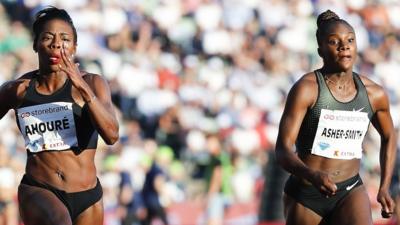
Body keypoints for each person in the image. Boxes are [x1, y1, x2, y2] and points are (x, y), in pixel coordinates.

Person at [275, 10, 397, 225]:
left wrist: (384, 186)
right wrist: (312, 175)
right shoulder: (307, 89)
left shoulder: (374, 94)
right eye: (334, 42)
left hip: (349, 190)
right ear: (320, 50)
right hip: (307, 192)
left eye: (350, 40)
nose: (344, 46)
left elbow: (389, 136)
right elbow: (282, 150)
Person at [0, 6, 119, 225]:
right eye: (47, 37)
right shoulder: (16, 91)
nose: (56, 44)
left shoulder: (93, 83)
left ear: (74, 46)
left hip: (88, 196)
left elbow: (112, 135)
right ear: (35, 44)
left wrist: (83, 89)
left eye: (64, 39)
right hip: (39, 189)